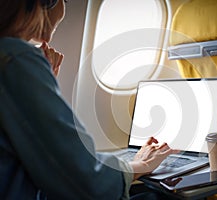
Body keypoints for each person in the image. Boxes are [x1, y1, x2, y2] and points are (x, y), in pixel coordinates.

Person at [0, 0, 179, 199]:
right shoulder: (14, 57)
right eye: (43, 26)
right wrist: (141, 165)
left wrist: (44, 84)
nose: (46, 38)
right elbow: (87, 182)